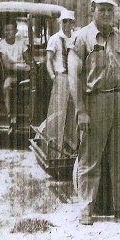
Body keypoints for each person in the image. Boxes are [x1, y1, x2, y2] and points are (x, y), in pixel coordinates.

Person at [68, 0, 120, 225]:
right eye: (102, 9)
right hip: (94, 100)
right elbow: (74, 76)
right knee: (90, 157)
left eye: (110, 9)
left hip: (119, 99)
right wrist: (81, 110)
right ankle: (86, 208)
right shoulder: (82, 38)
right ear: (92, 10)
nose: (107, 13)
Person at [39, 9, 78, 158]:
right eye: (64, 21)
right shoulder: (55, 39)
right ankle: (54, 149)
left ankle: (71, 147)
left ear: (73, 23)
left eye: (70, 21)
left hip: (74, 78)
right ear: (61, 23)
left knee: (73, 112)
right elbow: (48, 60)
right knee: (59, 112)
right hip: (61, 77)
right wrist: (52, 76)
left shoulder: (76, 38)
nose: (67, 24)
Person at [0, 19, 31, 134]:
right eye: (6, 30)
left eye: (10, 30)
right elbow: (7, 66)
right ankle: (12, 119)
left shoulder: (21, 43)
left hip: (23, 75)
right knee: (7, 86)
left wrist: (23, 66)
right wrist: (23, 66)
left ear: (16, 31)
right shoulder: (1, 45)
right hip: (11, 74)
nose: (7, 32)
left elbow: (29, 61)